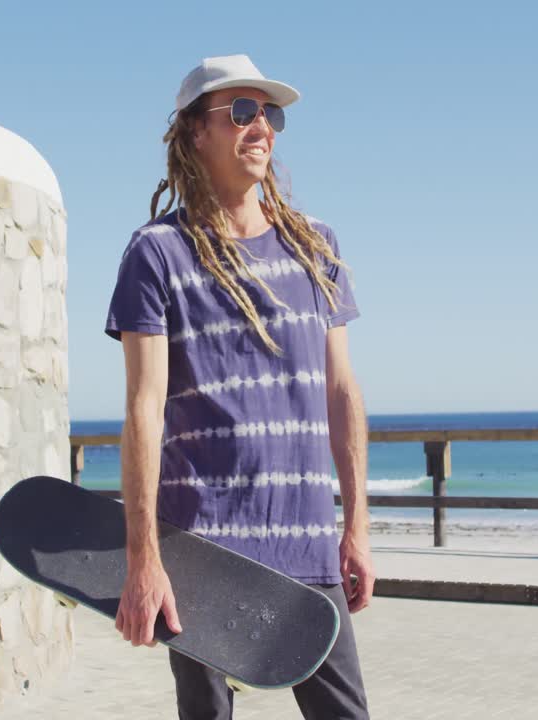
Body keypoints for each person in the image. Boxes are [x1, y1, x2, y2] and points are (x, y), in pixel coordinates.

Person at [104, 54, 372, 719]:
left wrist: (358, 528)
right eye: (242, 113)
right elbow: (144, 410)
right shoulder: (157, 253)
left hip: (307, 545)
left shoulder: (316, 248)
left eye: (270, 114)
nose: (262, 128)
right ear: (196, 132)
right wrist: (143, 561)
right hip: (201, 553)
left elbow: (342, 392)